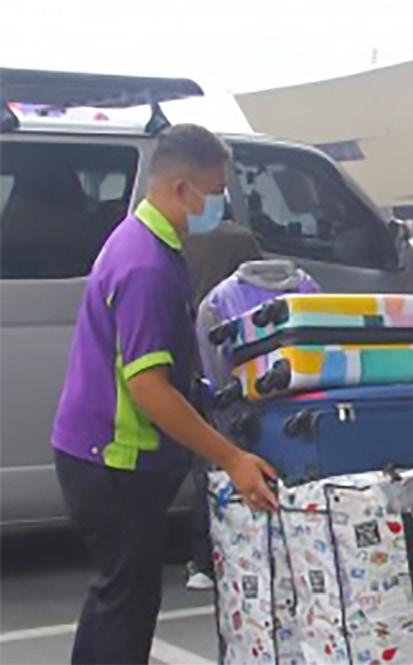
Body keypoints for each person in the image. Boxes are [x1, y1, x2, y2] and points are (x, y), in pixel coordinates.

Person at [50, 124, 278, 665]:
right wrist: (231, 457)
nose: (220, 205)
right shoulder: (146, 266)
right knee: (126, 605)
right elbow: (149, 388)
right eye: (216, 192)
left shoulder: (143, 240)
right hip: (115, 457)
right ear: (182, 188)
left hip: (98, 451)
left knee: (120, 596)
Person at [183, 217, 264, 591]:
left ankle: (203, 560)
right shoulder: (240, 240)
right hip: (237, 366)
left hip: (195, 367)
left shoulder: (179, 241)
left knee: (205, 464)